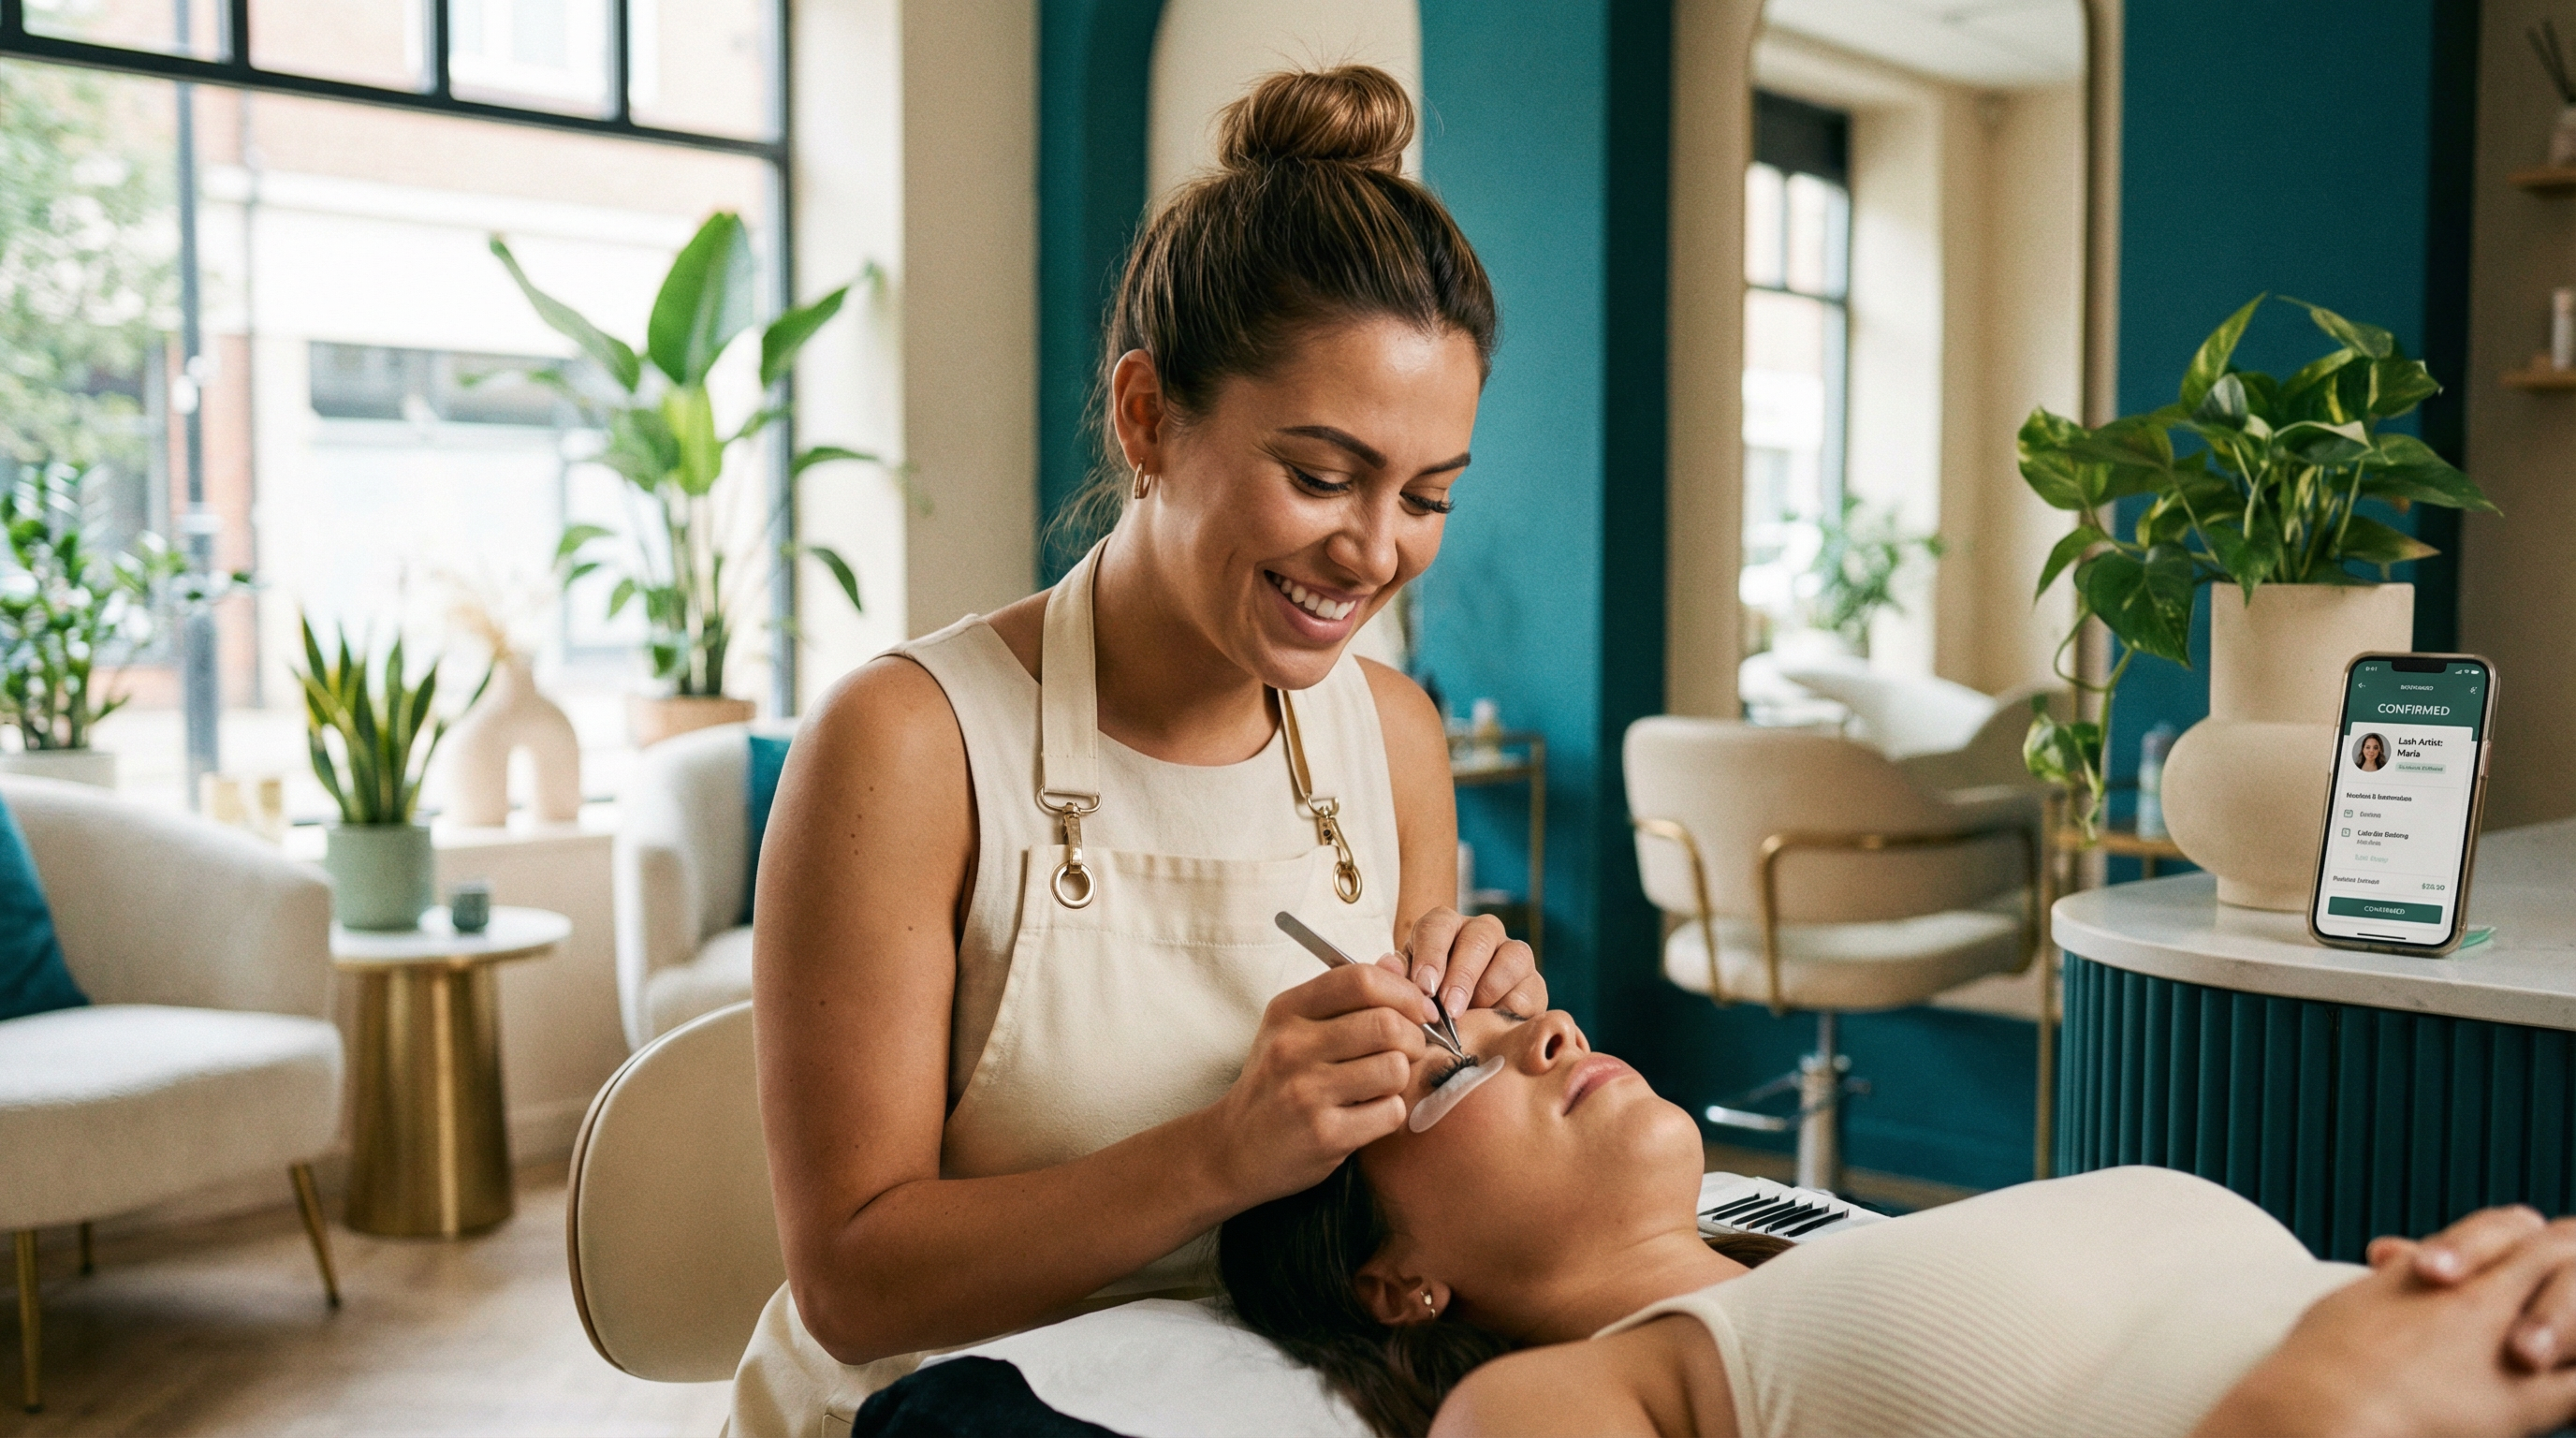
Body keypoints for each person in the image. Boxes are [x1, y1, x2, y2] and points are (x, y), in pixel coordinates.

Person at [733, 65, 1544, 1434]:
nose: (1374, 551)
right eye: (1322, 475)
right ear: (1147, 417)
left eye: (1427, 496)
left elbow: (1403, 1171)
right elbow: (852, 1284)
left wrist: (1479, 1043)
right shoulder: (908, 746)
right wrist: (1225, 1154)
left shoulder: (1393, 738)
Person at [1222, 1007, 2576, 1438]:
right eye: (1453, 1073)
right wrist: (2324, 1407)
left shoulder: (1850, 1251)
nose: (1549, 1026)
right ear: (1393, 1282)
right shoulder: (1547, 1402)